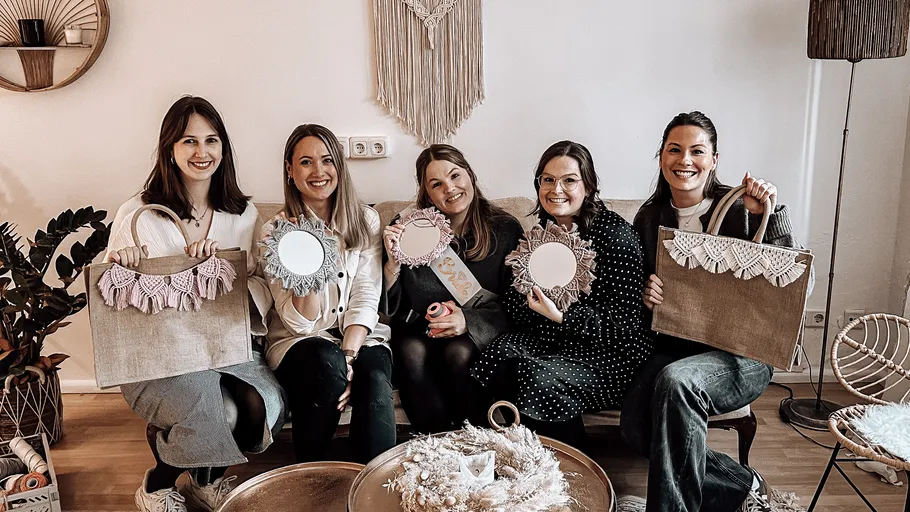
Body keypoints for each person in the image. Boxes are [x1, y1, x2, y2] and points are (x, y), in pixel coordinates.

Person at [621, 111, 811, 512]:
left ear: (714, 159)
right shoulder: (649, 218)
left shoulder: (744, 209)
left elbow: (795, 286)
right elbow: (640, 295)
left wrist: (768, 215)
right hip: (677, 346)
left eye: (697, 151)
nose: (684, 160)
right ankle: (742, 485)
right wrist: (645, 293)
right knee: (636, 427)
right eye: (675, 150)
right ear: (661, 158)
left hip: (742, 354)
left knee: (677, 382)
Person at [107, 96, 285, 512]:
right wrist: (129, 268)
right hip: (157, 357)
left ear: (223, 148)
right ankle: (157, 484)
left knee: (263, 405)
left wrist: (220, 273)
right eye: (189, 141)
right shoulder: (138, 214)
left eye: (211, 140)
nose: (201, 153)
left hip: (225, 347)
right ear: (170, 148)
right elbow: (115, 301)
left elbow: (260, 284)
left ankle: (207, 479)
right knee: (215, 410)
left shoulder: (242, 214)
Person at [471, 140, 653, 447]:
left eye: (569, 180)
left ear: (589, 186)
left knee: (536, 376)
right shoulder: (542, 234)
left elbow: (624, 325)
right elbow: (521, 311)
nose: (556, 189)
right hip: (554, 338)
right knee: (494, 357)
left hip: (611, 353)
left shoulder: (615, 236)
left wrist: (562, 315)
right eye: (548, 180)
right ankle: (513, 452)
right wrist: (524, 293)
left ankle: (575, 463)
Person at [263, 124, 394, 464]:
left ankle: (372, 483)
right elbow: (298, 322)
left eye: (327, 160)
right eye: (306, 162)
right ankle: (311, 472)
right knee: (325, 362)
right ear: (290, 170)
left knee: (376, 380)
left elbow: (367, 293)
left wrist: (349, 357)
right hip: (300, 344)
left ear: (339, 166)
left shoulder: (366, 220)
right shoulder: (275, 232)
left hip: (358, 336)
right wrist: (306, 264)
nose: (318, 171)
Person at [382, 144, 524, 434]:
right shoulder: (410, 230)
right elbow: (389, 306)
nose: (450, 188)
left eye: (455, 176)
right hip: (421, 330)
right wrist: (392, 263)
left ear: (470, 176)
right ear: (427, 193)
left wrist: (467, 321)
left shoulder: (505, 228)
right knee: (410, 350)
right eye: (437, 184)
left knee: (459, 353)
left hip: (479, 332)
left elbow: (518, 304)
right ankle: (434, 444)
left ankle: (477, 439)